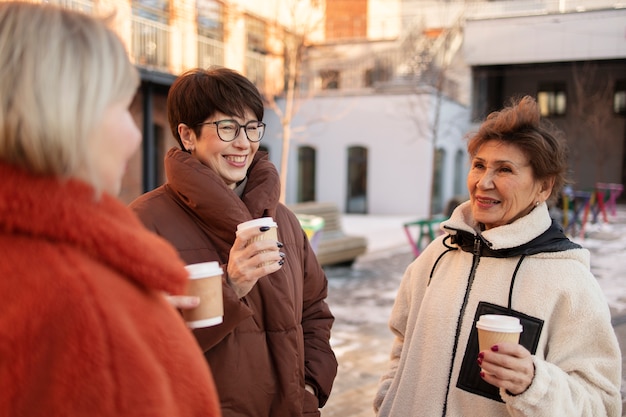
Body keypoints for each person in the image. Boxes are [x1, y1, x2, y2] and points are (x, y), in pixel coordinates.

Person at [0, 3, 221, 416]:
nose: (135, 136)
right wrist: (126, 318)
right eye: (122, 107)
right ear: (67, 114)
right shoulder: (85, 310)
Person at [374, 95, 622, 416]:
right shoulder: (436, 256)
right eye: (479, 165)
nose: (483, 183)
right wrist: (388, 399)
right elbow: (403, 346)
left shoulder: (568, 281)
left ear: (543, 187)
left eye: (504, 169)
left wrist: (535, 384)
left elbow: (601, 403)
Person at [129, 67, 337, 417]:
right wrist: (230, 285)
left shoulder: (282, 219)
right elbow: (138, 342)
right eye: (227, 128)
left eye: (252, 127)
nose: (244, 143)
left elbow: (314, 311)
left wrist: (310, 387)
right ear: (187, 135)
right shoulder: (145, 222)